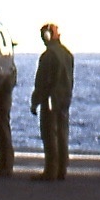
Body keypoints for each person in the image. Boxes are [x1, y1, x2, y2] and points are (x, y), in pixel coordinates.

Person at [30, 23, 75, 181]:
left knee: (50, 135)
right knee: (62, 134)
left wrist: (35, 101)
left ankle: (51, 171)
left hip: (50, 100)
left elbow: (42, 82)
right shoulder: (67, 54)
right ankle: (61, 170)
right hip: (64, 99)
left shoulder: (48, 56)